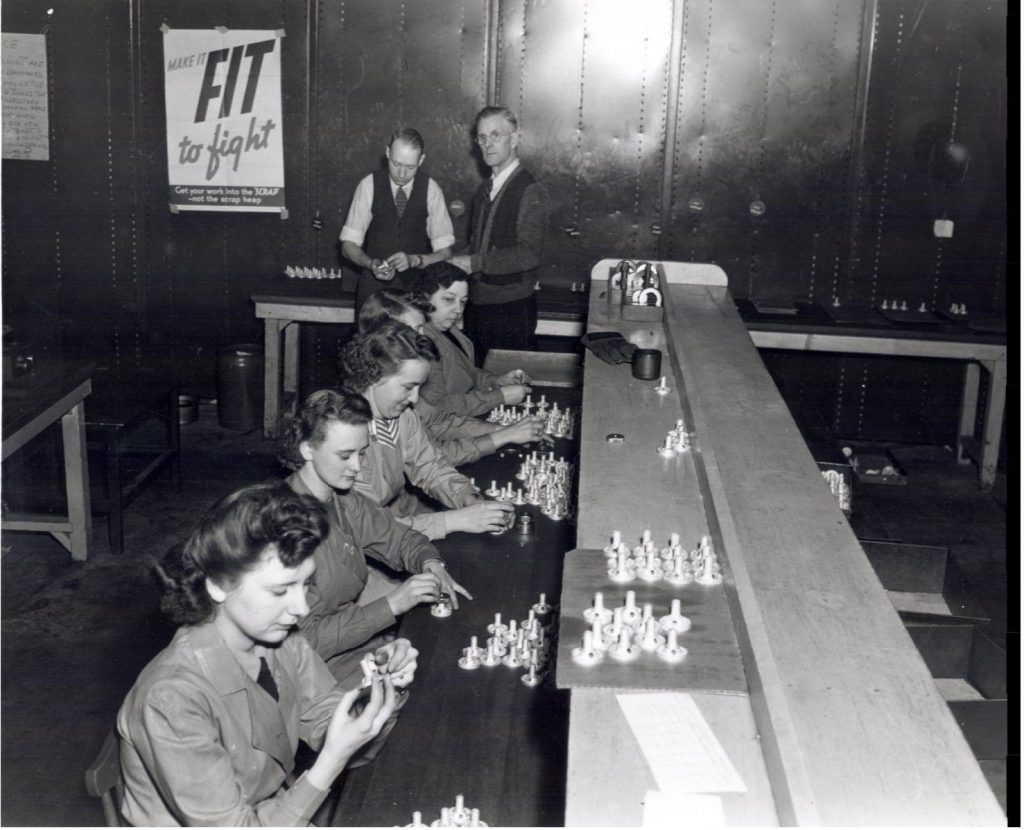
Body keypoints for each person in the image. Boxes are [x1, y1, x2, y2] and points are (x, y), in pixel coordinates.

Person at [116, 483, 400, 826]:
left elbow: (333, 722)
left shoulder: (280, 639)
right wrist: (329, 762)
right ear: (218, 585)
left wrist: (382, 687)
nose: (300, 609)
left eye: (306, 585)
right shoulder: (171, 697)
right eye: (280, 590)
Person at [281, 387, 470, 687]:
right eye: (345, 455)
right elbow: (302, 642)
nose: (357, 467)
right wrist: (393, 604)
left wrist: (432, 564)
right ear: (307, 449)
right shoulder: (284, 526)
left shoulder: (343, 500)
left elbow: (401, 539)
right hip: (306, 674)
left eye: (361, 453)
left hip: (349, 647)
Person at [338, 320, 514, 539]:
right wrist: (453, 520)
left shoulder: (402, 416)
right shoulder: (342, 438)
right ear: (374, 377)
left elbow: (429, 466)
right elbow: (366, 528)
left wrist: (468, 498)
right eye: (408, 387)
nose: (414, 399)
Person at [358, 287, 547, 465]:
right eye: (413, 330)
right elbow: (428, 459)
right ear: (382, 335)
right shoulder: (369, 403)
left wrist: (503, 430)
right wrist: (502, 436)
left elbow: (438, 420)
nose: (423, 336)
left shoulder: (399, 379)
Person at [449, 105, 548, 358]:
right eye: (482, 137)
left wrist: (473, 262)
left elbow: (529, 254)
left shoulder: (529, 190)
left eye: (496, 135)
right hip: (479, 305)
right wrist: (443, 261)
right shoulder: (485, 189)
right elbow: (477, 246)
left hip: (511, 310)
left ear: (514, 139)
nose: (487, 144)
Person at [340, 127, 455, 313]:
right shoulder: (368, 185)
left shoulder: (432, 190)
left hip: (415, 290)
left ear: (421, 160)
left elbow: (446, 253)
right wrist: (370, 263)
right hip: (373, 291)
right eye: (396, 164)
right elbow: (348, 246)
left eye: (410, 167)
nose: (401, 174)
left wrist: (414, 260)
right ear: (387, 153)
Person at [411, 261, 534, 418]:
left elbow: (464, 373)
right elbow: (437, 406)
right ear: (425, 298)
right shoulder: (423, 339)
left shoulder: (450, 331)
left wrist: (496, 381)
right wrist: (500, 396)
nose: (458, 310)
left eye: (463, 302)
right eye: (448, 299)